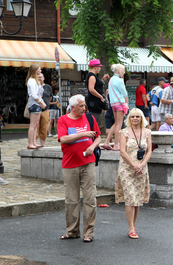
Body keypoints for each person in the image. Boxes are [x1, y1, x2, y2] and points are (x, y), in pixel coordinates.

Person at [57, 94, 101, 242]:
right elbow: (63, 139)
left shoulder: (89, 118)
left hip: (88, 163)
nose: (84, 108)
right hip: (70, 165)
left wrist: (92, 146)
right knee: (71, 200)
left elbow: (98, 137)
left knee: (90, 198)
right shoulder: (63, 120)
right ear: (73, 107)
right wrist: (83, 134)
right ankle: (72, 231)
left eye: (84, 105)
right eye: (81, 106)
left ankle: (89, 233)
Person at [115, 108, 152, 239]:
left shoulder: (147, 132)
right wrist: (134, 165)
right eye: (132, 117)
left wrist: (141, 165)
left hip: (141, 168)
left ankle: (133, 226)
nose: (135, 119)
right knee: (130, 197)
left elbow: (149, 151)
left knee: (137, 198)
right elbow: (122, 151)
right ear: (129, 119)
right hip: (127, 167)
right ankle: (130, 228)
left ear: (141, 118)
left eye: (137, 116)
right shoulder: (124, 132)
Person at [103, 64, 127, 151]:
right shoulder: (119, 80)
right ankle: (116, 145)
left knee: (116, 123)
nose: (124, 72)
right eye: (123, 70)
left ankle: (106, 142)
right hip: (120, 103)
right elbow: (124, 94)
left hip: (113, 104)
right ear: (120, 70)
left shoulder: (111, 80)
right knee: (119, 124)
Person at [26, 63, 46, 149]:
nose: (40, 70)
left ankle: (33, 142)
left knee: (35, 124)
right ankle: (31, 143)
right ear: (35, 70)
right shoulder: (32, 80)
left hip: (36, 103)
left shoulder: (34, 80)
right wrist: (41, 102)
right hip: (35, 103)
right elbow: (33, 94)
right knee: (33, 124)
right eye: (39, 69)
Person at [85, 59, 110, 123]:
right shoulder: (92, 76)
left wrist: (103, 79)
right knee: (94, 121)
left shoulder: (92, 76)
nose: (100, 68)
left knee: (95, 120)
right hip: (94, 102)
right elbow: (91, 89)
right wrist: (100, 96)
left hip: (95, 102)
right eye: (99, 67)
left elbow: (96, 85)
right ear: (95, 67)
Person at [36, 73, 51, 147]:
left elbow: (50, 97)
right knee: (36, 127)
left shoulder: (48, 87)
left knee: (44, 128)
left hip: (45, 110)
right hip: (36, 110)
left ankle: (43, 144)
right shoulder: (34, 86)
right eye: (38, 77)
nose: (39, 78)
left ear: (43, 78)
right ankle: (34, 142)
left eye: (41, 77)